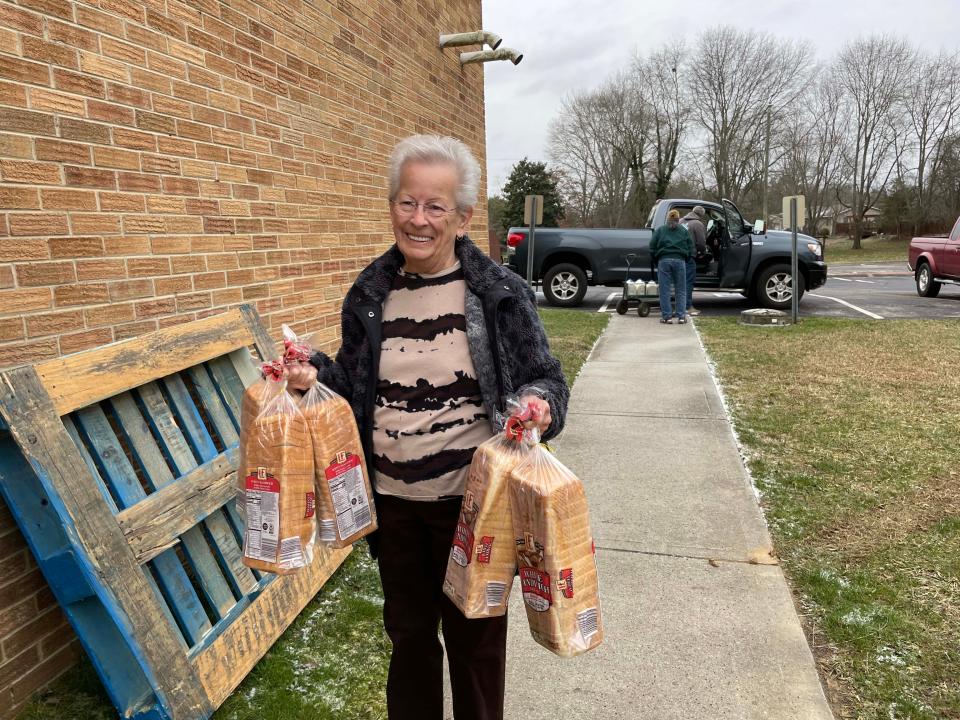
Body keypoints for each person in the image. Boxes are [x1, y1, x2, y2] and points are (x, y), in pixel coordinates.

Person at [286, 134, 569, 720]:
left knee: (475, 647)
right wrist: (310, 372)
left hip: (475, 510)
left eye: (435, 206)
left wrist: (538, 404)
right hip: (394, 508)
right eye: (406, 203)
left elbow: (546, 377)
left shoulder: (498, 294)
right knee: (409, 639)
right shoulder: (369, 293)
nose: (418, 220)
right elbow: (355, 388)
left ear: (462, 217)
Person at [650, 208, 695, 323]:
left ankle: (667, 317)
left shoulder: (660, 230)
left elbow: (652, 246)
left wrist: (656, 259)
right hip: (680, 261)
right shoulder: (683, 231)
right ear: (678, 219)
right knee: (681, 290)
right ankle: (681, 316)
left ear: (668, 219)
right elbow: (690, 247)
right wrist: (686, 258)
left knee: (664, 290)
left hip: (663, 261)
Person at [680, 206, 707, 316]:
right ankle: (688, 306)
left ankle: (679, 306)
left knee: (680, 282)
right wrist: (702, 253)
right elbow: (701, 243)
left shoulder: (681, 221)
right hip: (688, 256)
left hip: (678, 255)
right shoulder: (697, 224)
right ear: (701, 215)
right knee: (688, 282)